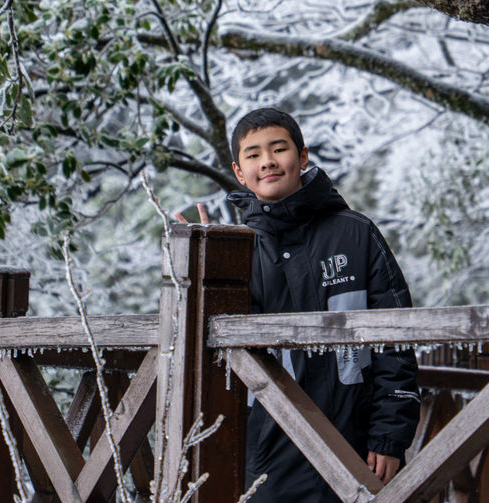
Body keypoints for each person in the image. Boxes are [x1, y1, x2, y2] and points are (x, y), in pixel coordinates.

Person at [177, 106, 420, 502]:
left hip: (357, 450)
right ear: (240, 172)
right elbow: (201, 356)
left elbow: (395, 342)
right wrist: (199, 258)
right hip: (264, 458)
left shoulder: (356, 234)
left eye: (278, 149)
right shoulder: (235, 249)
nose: (268, 162)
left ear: (302, 156)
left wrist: (390, 436)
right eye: (253, 155)